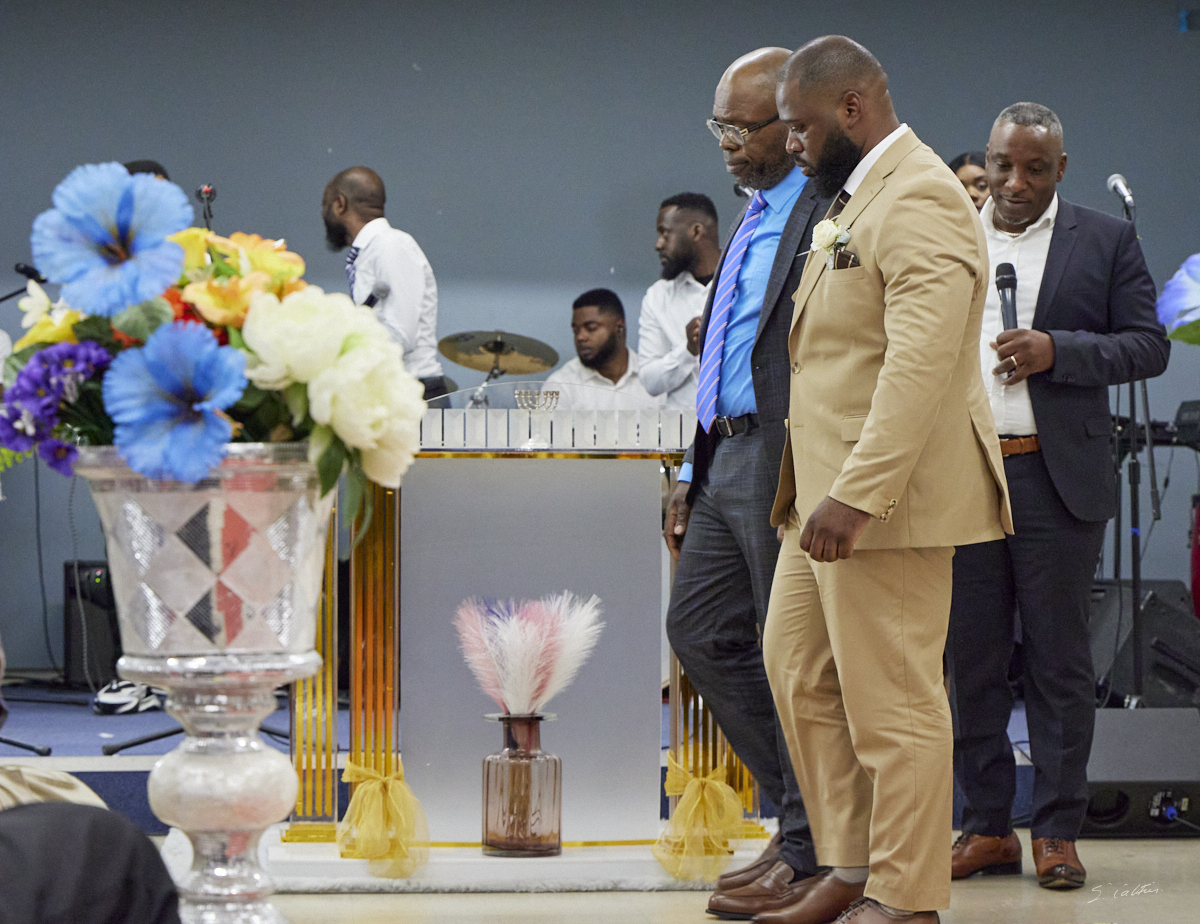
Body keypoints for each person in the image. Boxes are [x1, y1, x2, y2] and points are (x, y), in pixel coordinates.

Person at [761, 36, 1010, 924]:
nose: (791, 144)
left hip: (880, 502)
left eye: (800, 127)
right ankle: (853, 863)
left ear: (852, 109)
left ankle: (905, 899)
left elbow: (919, 366)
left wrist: (858, 493)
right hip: (819, 489)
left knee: (894, 701)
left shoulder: (922, 197)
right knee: (796, 665)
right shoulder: (856, 193)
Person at [946, 104, 1169, 891]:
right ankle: (984, 826)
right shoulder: (948, 231)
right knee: (969, 659)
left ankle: (1056, 831)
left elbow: (1147, 345)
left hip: (1054, 475)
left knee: (1058, 661)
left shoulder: (1103, 239)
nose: (1015, 182)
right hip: (961, 472)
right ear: (989, 158)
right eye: (1004, 165)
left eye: (1035, 169)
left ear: (1061, 168)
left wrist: (1056, 350)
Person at [662, 48, 832, 922]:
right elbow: (730, 347)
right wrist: (688, 469)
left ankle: (810, 845)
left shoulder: (825, 209)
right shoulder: (754, 211)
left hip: (782, 450)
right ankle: (809, 823)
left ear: (790, 124)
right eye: (717, 127)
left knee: (788, 653)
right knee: (697, 630)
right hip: (722, 453)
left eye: (740, 127)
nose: (725, 143)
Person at [321, 166, 448, 399]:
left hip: (413, 393)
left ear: (340, 204)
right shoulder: (372, 251)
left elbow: (401, 336)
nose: (323, 216)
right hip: (393, 390)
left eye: (325, 207)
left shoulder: (391, 246)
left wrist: (340, 345)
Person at [637, 192, 721, 409]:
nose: (658, 245)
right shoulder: (658, 297)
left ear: (696, 232)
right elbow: (649, 381)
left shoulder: (744, 279)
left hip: (742, 425)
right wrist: (688, 350)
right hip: (683, 428)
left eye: (665, 233)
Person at [543, 288, 657, 410]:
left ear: (619, 326)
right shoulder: (561, 385)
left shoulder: (655, 377)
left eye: (591, 328)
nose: (580, 337)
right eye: (575, 330)